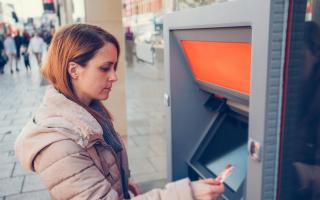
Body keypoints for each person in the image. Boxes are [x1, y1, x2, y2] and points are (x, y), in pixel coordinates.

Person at [15, 24, 224, 200]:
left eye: (115, 67)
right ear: (74, 70)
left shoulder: (89, 112)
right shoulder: (59, 145)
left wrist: (120, 181)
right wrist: (187, 194)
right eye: (105, 68)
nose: (114, 77)